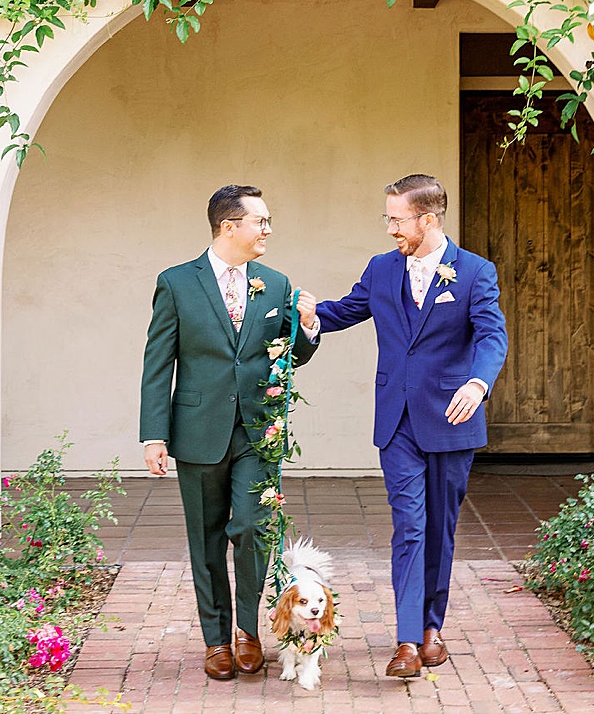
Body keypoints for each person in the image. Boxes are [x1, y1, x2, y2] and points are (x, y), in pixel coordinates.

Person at [299, 173, 507, 677]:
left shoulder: (475, 272)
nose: (391, 229)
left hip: (452, 419)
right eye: (388, 219)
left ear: (428, 219)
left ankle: (434, 627)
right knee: (409, 527)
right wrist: (308, 317)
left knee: (441, 528)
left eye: (398, 220)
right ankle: (409, 641)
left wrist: (477, 385)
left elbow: (491, 336)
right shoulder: (381, 268)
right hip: (397, 423)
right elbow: (346, 311)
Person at [140, 184, 319, 681]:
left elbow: (291, 353)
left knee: (251, 528)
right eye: (260, 221)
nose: (268, 229)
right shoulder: (176, 283)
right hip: (197, 430)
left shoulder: (276, 282)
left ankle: (247, 632)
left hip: (259, 431)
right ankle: (216, 640)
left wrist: (306, 325)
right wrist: (154, 434)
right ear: (228, 227)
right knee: (206, 538)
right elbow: (159, 362)